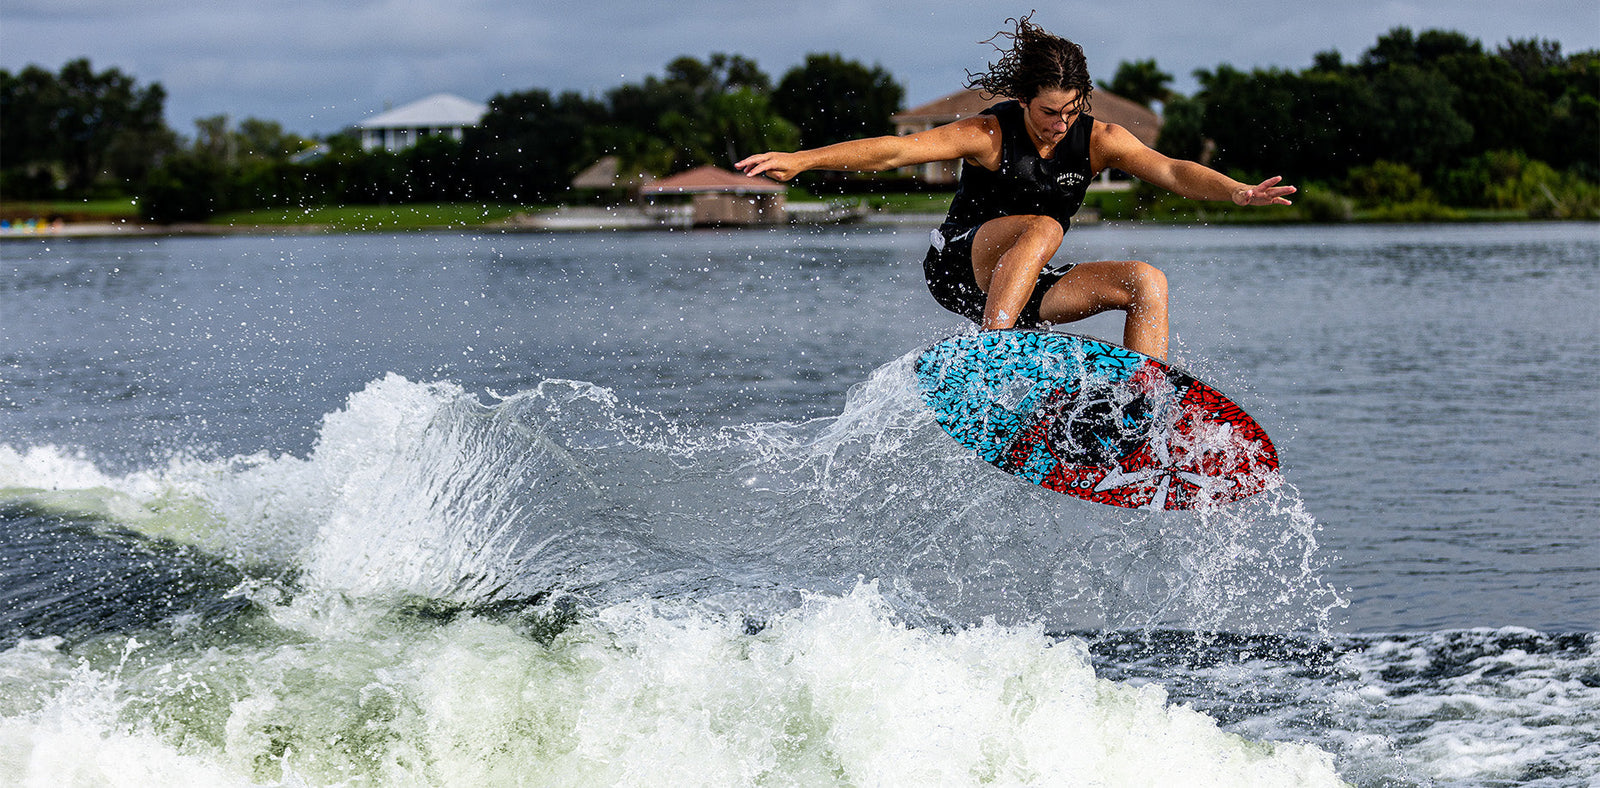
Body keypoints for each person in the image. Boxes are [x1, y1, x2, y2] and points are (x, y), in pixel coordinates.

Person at [735, 16, 1296, 361]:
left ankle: (1139, 411)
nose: (1060, 124)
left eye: (1071, 111)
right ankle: (991, 357)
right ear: (1024, 99)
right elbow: (895, 151)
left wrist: (1236, 191)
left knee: (1147, 280)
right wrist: (802, 160)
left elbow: (1172, 171)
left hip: (1023, 285)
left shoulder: (1100, 139)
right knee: (1044, 226)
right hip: (959, 269)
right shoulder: (987, 133)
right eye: (1049, 112)